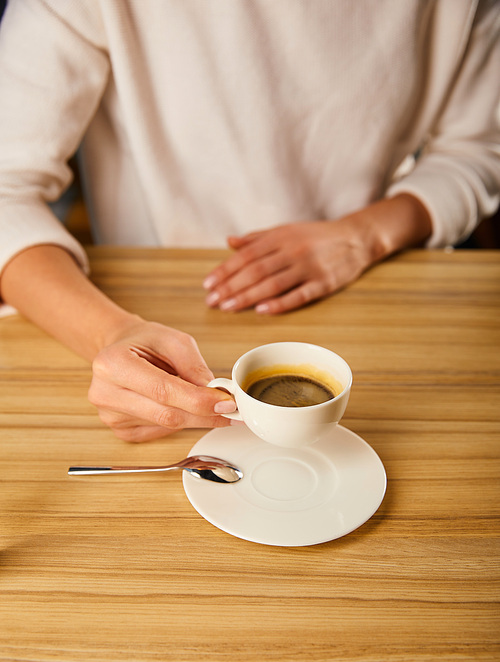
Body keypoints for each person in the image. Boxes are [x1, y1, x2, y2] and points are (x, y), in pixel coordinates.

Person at [0, 1, 499, 442]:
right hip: (150, 302)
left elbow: (478, 149)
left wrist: (364, 235)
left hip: (383, 288)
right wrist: (110, 335)